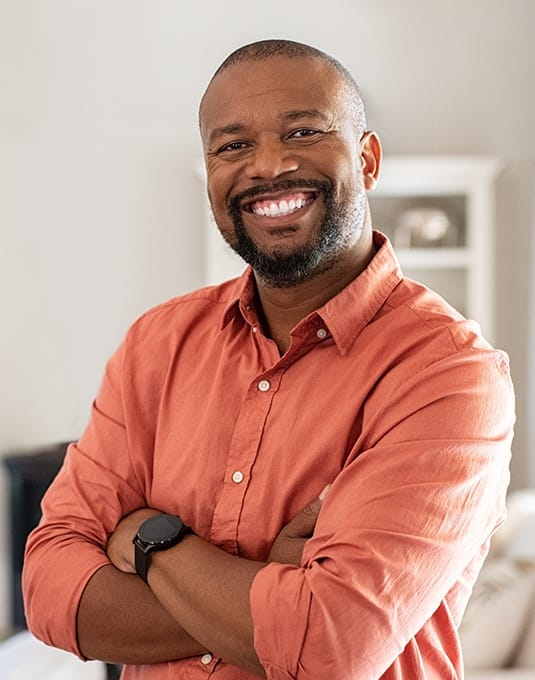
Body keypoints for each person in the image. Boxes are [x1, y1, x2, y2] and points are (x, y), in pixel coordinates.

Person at [23, 39, 515, 680]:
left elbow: (332, 643)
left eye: (303, 131)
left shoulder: (449, 375)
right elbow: (50, 591)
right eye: (232, 146)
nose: (268, 166)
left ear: (366, 160)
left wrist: (151, 541)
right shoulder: (157, 343)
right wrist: (272, 588)